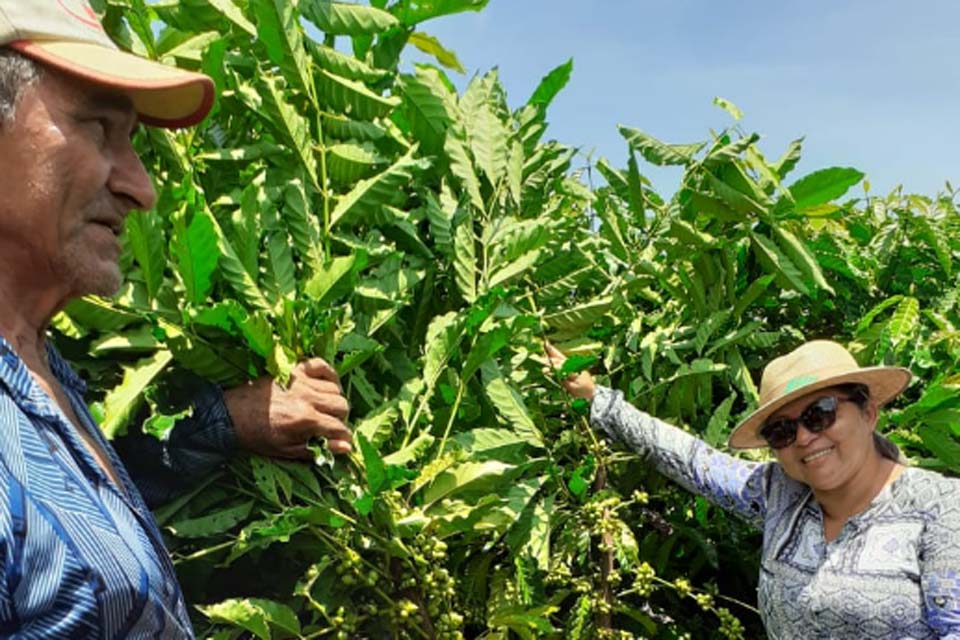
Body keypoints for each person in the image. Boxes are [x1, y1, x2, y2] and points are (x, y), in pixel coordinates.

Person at [0, 0, 352, 636]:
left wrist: (225, 425)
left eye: (132, 142)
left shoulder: (41, 370)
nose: (143, 186)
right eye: (97, 128)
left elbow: (62, 526)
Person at [545, 339, 960, 639]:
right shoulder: (782, 495)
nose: (804, 438)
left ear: (868, 412)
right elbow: (692, 461)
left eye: (821, 414)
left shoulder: (940, 508)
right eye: (782, 430)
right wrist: (597, 399)